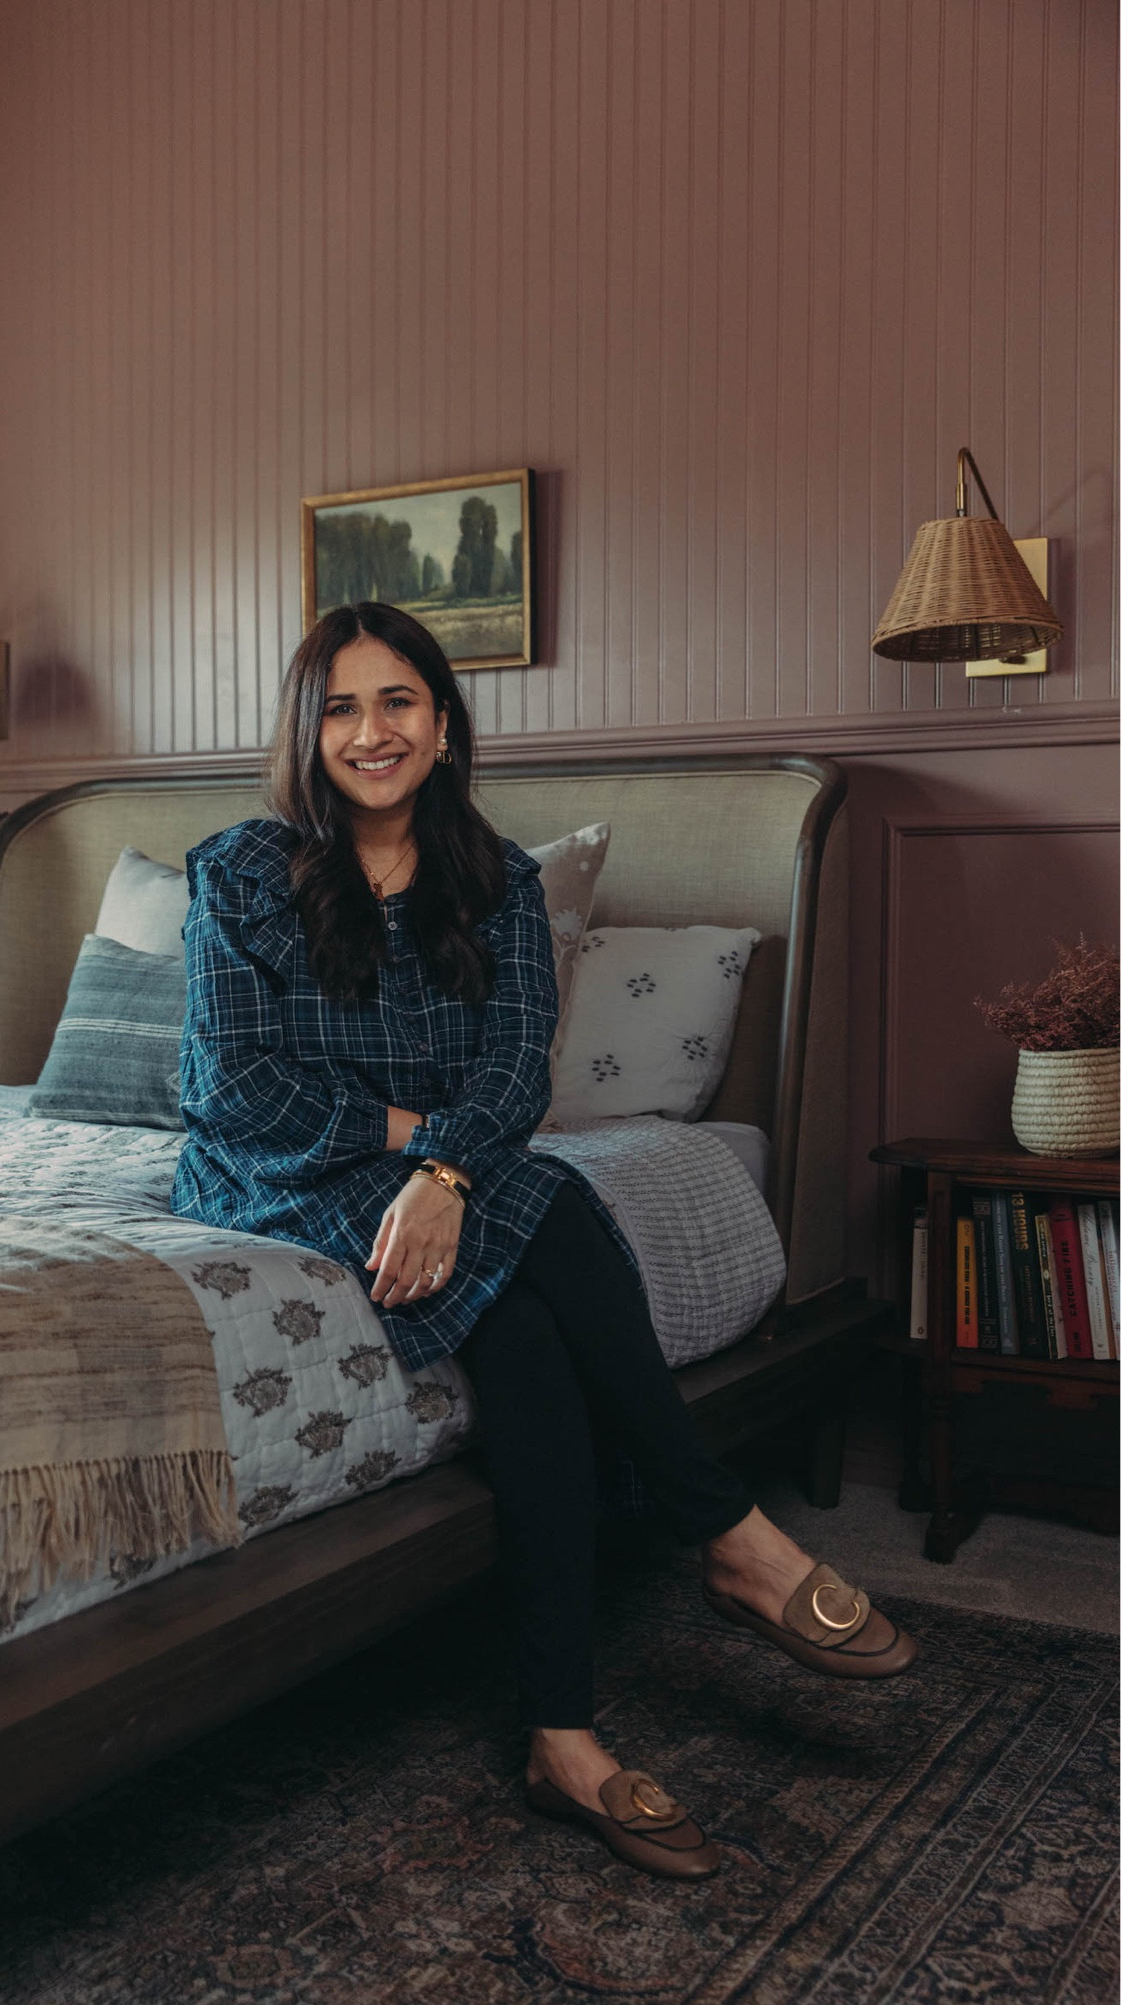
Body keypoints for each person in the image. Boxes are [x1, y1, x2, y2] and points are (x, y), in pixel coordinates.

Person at [174, 601, 917, 1882]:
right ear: (307, 731)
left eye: (397, 700)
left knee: (526, 1312)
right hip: (286, 1170)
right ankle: (724, 1533)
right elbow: (232, 1087)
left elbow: (520, 1073)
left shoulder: (501, 881)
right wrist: (423, 1139)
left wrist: (451, 1168)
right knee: (561, 1209)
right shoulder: (241, 869)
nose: (371, 730)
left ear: (445, 722)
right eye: (340, 706)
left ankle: (562, 1734)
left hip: (453, 1161)